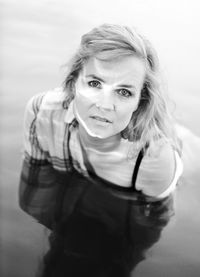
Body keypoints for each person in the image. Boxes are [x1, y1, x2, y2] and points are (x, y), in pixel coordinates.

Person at [19, 23, 183, 276]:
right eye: (95, 83)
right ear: (73, 82)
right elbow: (33, 197)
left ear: (140, 101)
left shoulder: (153, 157)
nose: (105, 105)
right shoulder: (42, 112)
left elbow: (150, 226)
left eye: (124, 92)